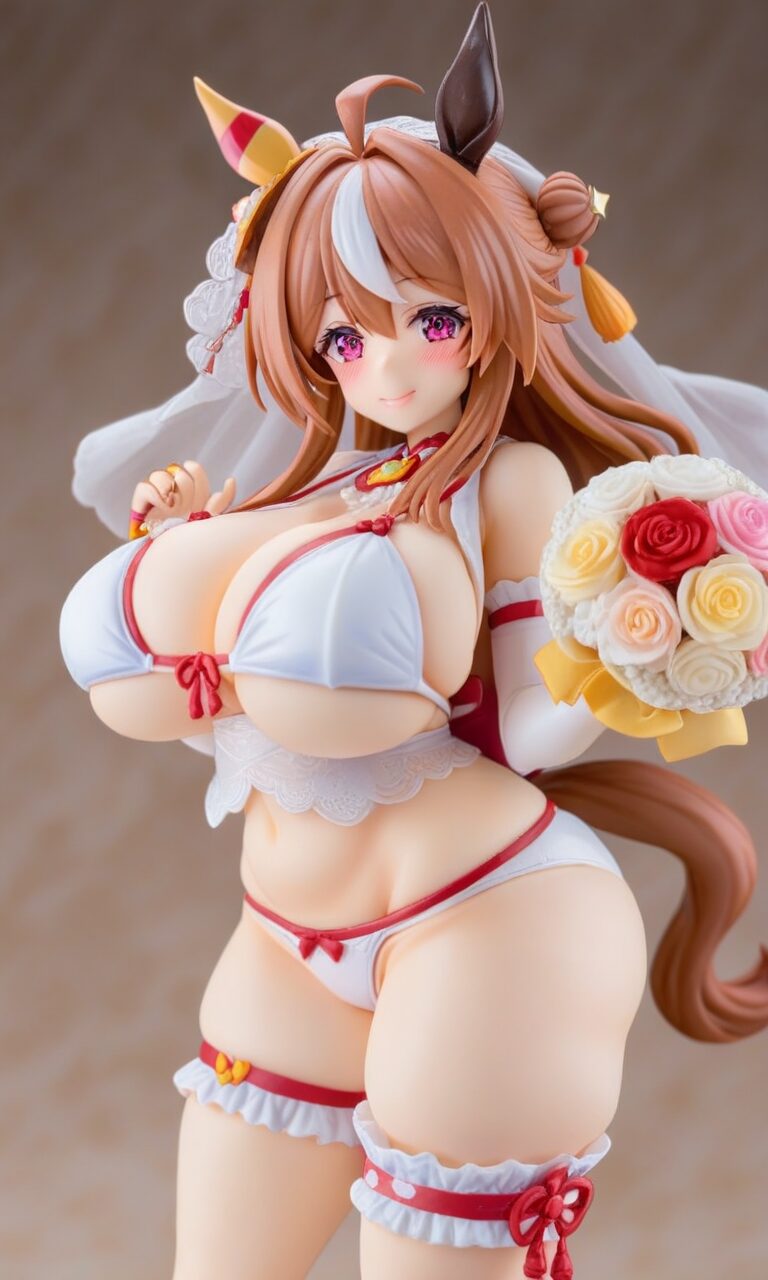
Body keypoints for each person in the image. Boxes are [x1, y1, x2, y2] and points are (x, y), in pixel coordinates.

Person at [60, 6, 767, 1278]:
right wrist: (185, 546)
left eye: (427, 320)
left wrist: (624, 652)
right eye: (345, 336)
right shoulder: (322, 487)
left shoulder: (513, 486)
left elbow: (531, 731)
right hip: (283, 933)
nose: (382, 366)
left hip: (490, 919)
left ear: (492, 308)